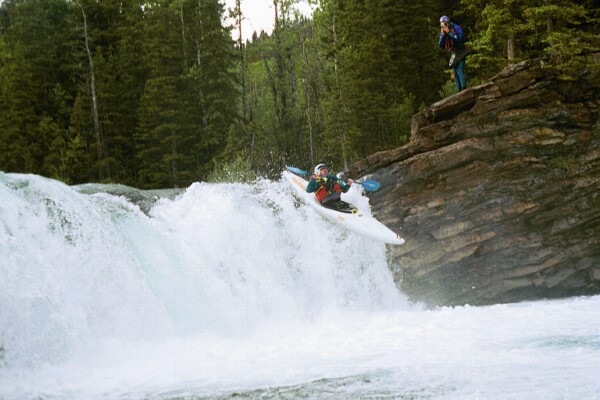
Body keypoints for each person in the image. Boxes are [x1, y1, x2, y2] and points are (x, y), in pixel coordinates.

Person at [438, 15, 467, 93]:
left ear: (449, 23)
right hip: (453, 52)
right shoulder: (443, 31)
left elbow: (458, 40)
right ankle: (459, 91)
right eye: (442, 24)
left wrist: (449, 33)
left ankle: (464, 89)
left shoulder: (456, 28)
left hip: (461, 50)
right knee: (454, 72)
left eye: (445, 24)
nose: (444, 26)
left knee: (459, 69)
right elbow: (440, 45)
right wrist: (443, 35)